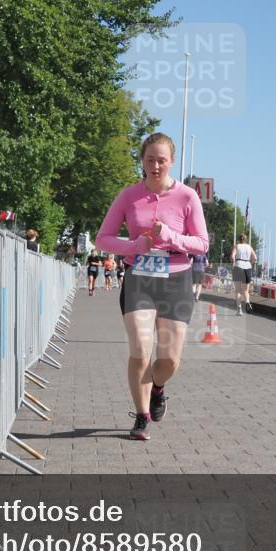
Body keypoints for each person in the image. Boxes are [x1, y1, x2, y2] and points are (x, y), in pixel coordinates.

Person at [96, 132, 209, 441]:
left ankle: (157, 389)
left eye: (161, 161)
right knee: (140, 351)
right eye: (149, 160)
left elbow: (202, 244)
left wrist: (170, 236)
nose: (155, 166)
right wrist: (134, 245)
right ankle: (141, 415)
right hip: (140, 278)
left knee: (170, 359)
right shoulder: (128, 196)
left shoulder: (187, 196)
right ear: (142, 161)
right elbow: (103, 239)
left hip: (176, 278)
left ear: (171, 161)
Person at [230, 234, 257, 315]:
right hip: (247, 267)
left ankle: (239, 310)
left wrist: (233, 263)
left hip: (238, 266)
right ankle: (247, 302)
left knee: (238, 290)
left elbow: (232, 256)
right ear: (246, 239)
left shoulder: (237, 246)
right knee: (246, 290)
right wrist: (251, 263)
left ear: (239, 239)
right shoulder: (249, 247)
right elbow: (255, 258)